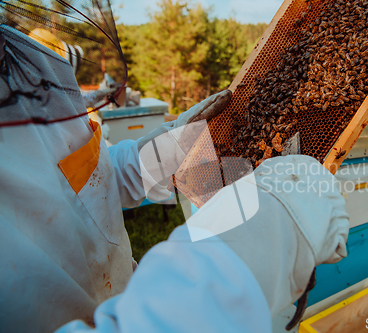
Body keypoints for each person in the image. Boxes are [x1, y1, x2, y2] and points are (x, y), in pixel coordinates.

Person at [0, 20, 349, 333]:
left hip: (123, 286)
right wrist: (273, 234)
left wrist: (167, 149)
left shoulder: (21, 60)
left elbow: (85, 178)